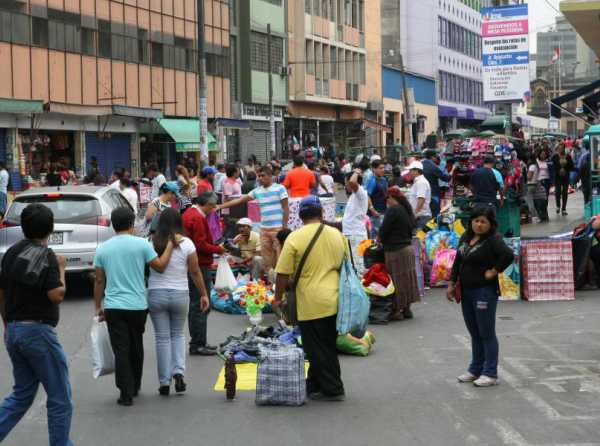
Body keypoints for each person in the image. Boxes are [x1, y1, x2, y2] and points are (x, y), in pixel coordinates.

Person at [0, 204, 73, 446]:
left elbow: (2, 292)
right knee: (60, 397)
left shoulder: (11, 253)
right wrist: (62, 269)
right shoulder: (47, 256)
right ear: (50, 229)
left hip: (14, 330)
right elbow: (56, 295)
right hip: (38, 332)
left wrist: (7, 325)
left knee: (22, 394)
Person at [94, 207, 177, 406]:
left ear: (113, 225)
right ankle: (136, 384)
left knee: (121, 349)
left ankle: (126, 392)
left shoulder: (103, 248)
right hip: (138, 305)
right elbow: (160, 266)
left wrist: (98, 306)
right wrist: (170, 247)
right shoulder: (142, 245)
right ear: (132, 224)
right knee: (136, 345)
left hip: (114, 306)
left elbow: (98, 281)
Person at [274, 196, 347, 401]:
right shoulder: (337, 234)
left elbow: (282, 273)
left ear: (300, 215)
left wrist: (277, 298)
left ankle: (333, 388)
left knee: (316, 348)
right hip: (333, 297)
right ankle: (314, 384)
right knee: (326, 344)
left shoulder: (295, 238)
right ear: (321, 213)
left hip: (310, 300)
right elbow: (346, 266)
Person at [447, 207, 514, 387]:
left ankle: (490, 372)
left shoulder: (493, 240)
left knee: (486, 332)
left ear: (490, 224)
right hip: (466, 291)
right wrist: (452, 283)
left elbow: (508, 255)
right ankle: (475, 369)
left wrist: (494, 271)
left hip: (484, 291)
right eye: (476, 220)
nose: (479, 224)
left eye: (483, 221)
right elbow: (457, 262)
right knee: (474, 332)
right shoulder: (466, 238)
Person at [148, 209, 209, 396]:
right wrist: (203, 294)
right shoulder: (187, 243)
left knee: (161, 338)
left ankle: (164, 382)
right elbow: (195, 272)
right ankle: (179, 373)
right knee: (177, 335)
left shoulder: (151, 242)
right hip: (180, 294)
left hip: (156, 294)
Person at [219, 165, 289, 272]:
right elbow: (240, 200)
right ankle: (270, 281)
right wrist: (220, 206)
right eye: (259, 176)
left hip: (278, 229)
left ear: (270, 176)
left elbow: (285, 208)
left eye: (263, 175)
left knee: (279, 257)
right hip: (264, 229)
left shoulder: (280, 188)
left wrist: (284, 226)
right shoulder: (257, 191)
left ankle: (278, 283)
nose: (260, 178)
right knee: (267, 259)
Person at [182, 192, 224, 356]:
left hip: (196, 263)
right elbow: (200, 244)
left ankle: (199, 341)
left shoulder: (190, 214)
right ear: (205, 204)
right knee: (201, 303)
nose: (213, 209)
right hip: (199, 264)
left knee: (197, 303)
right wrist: (218, 249)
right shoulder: (197, 218)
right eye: (212, 206)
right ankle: (198, 343)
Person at [379, 187, 420, 320]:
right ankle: (407, 309)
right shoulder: (406, 210)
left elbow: (384, 230)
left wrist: (379, 240)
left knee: (396, 281)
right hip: (407, 249)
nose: (387, 202)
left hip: (395, 251)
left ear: (392, 198)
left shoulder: (393, 210)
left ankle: (396, 311)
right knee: (407, 280)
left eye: (387, 199)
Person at [342, 170, 369, 277]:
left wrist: (356, 172)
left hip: (356, 235)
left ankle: (362, 291)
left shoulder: (360, 192)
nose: (345, 185)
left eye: (346, 182)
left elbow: (353, 182)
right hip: (352, 234)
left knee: (359, 267)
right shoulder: (355, 195)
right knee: (353, 266)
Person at [422, 150, 452, 218]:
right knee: (435, 215)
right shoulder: (433, 166)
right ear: (432, 157)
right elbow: (446, 178)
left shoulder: (421, 164)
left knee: (424, 214)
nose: (437, 158)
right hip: (433, 194)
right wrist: (452, 170)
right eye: (436, 157)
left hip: (422, 193)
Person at [406, 161, 432, 228]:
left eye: (410, 170)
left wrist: (415, 213)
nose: (409, 172)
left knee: (419, 237)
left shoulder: (421, 182)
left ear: (416, 171)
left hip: (421, 217)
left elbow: (421, 199)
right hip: (420, 216)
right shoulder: (418, 181)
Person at [366, 160, 388, 238]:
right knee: (375, 234)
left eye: (383, 168)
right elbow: (367, 195)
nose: (383, 170)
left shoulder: (384, 180)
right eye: (380, 168)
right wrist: (372, 210)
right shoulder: (372, 180)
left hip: (383, 211)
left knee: (382, 233)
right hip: (375, 213)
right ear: (374, 169)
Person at [551, 143, 574, 216]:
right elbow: (553, 166)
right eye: (559, 148)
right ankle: (558, 206)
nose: (560, 150)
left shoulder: (568, 156)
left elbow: (571, 166)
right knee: (557, 192)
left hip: (566, 176)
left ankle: (564, 208)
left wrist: (565, 169)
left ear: (564, 148)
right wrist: (559, 170)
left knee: (565, 192)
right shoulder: (555, 156)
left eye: (562, 148)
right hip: (558, 177)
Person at [221, 164, 243, 239]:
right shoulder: (228, 183)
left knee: (233, 229)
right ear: (234, 173)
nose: (239, 172)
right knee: (230, 229)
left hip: (236, 210)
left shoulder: (236, 182)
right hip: (228, 211)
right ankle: (225, 244)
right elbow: (228, 198)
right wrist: (240, 197)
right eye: (238, 171)